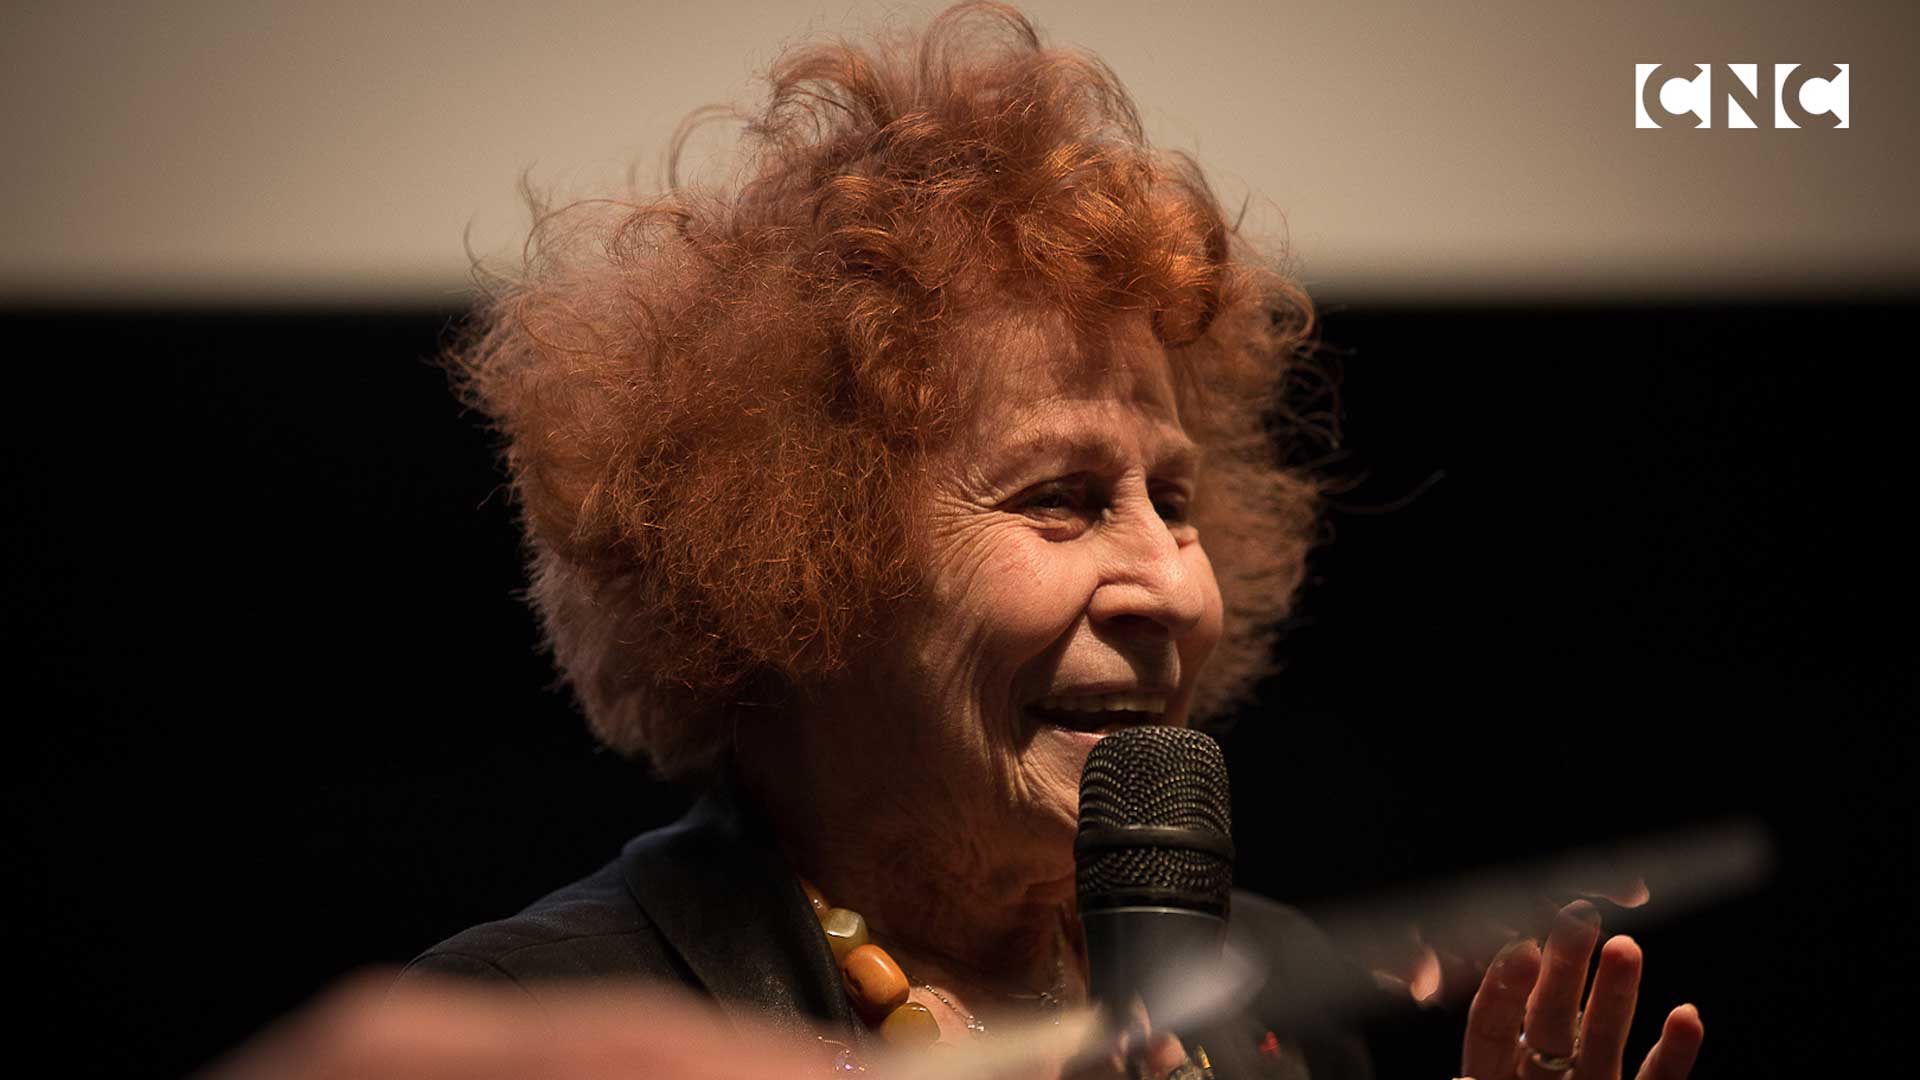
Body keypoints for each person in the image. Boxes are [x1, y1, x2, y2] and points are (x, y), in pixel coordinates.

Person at [204, 4, 1704, 1077]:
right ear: (798, 564)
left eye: (1174, 499)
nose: (1173, 583)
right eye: (1061, 495)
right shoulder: (552, 1026)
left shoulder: (1282, 995)